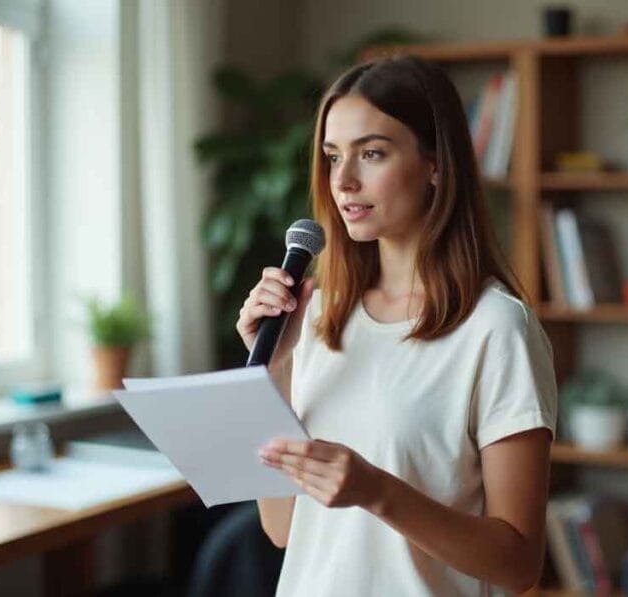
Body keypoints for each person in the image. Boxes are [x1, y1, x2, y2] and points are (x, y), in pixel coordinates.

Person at [235, 55, 557, 596]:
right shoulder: (315, 314)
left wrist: (377, 491)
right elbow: (283, 529)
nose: (344, 181)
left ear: (436, 164)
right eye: (333, 157)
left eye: (373, 154)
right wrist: (272, 369)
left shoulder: (497, 329)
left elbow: (519, 564)